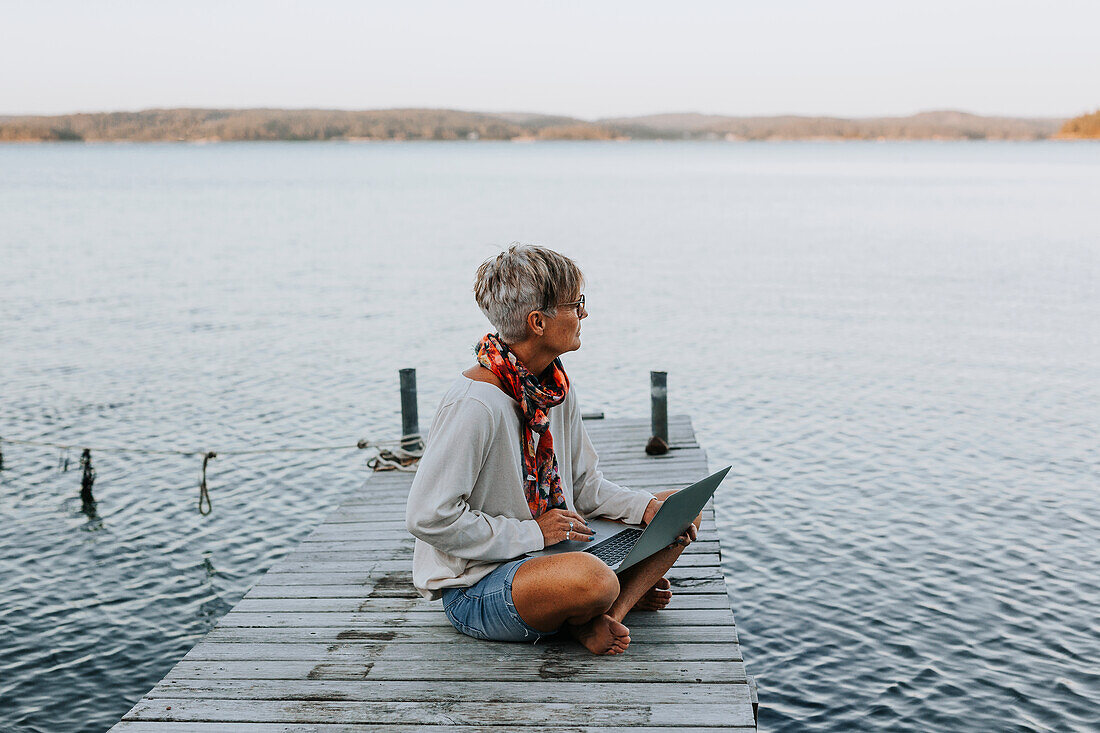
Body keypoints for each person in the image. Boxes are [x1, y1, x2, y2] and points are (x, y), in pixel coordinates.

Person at [405, 244, 699, 655]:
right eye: (576, 304)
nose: (583, 314)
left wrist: (645, 508)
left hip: (555, 551)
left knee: (679, 506)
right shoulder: (474, 404)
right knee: (592, 579)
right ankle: (597, 599)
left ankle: (607, 613)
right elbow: (428, 517)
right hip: (480, 585)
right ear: (538, 322)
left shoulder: (553, 385)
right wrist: (533, 533)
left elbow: (584, 485)